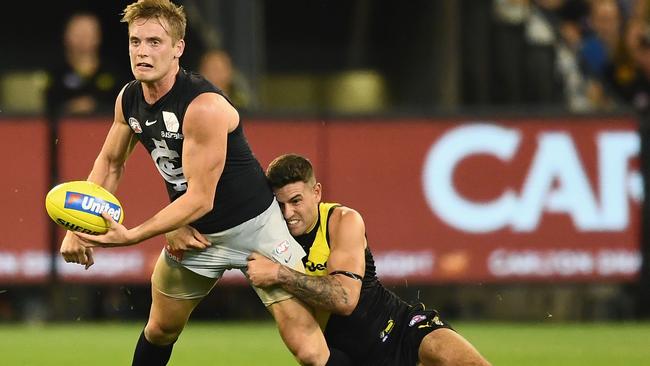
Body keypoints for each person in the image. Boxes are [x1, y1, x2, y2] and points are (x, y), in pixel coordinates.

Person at [59, 1, 331, 365]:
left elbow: (202, 198)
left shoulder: (203, 106)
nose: (142, 51)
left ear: (178, 48)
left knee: (308, 348)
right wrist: (78, 222)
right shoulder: (129, 98)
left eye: (155, 42)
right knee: (160, 329)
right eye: (135, 41)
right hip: (193, 233)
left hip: (257, 230)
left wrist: (132, 236)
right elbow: (110, 163)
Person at [245, 154, 491, 366]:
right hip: (342, 357)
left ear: (316, 192)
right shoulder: (270, 236)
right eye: (281, 205)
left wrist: (279, 273)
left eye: (296, 201)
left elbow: (345, 300)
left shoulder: (341, 221)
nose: (288, 214)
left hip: (400, 329)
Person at [44, 12, 126, 117]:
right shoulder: (54, 75)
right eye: (78, 33)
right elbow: (45, 109)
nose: (83, 38)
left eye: (88, 32)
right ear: (66, 36)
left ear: (98, 36)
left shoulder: (114, 74)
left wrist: (96, 107)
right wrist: (70, 108)